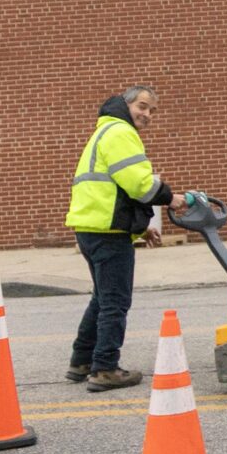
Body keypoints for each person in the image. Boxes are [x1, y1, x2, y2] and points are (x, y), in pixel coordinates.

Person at [64, 85, 174, 390]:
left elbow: (113, 189)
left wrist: (139, 228)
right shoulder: (121, 133)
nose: (147, 114)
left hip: (91, 227)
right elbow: (138, 184)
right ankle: (105, 368)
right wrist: (173, 198)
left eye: (152, 110)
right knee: (115, 301)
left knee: (102, 298)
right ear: (126, 104)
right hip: (107, 233)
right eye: (142, 106)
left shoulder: (105, 131)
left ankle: (81, 361)